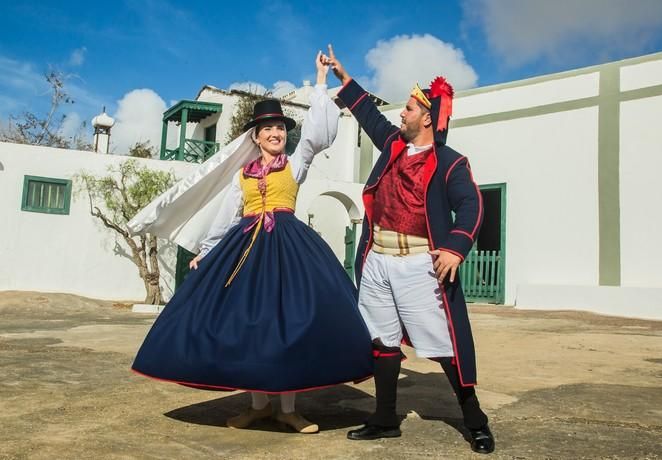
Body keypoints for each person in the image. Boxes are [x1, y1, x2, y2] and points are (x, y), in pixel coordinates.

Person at [128, 52, 372, 434]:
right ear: (255, 137)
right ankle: (258, 406)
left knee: (289, 323)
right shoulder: (241, 176)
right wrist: (207, 253)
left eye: (279, 128)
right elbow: (226, 217)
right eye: (268, 129)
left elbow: (318, 134)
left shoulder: (296, 162)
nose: (276, 133)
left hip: (290, 250)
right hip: (245, 251)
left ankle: (288, 409)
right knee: (249, 326)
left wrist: (321, 81)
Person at [325, 45, 495, 454]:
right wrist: (344, 79)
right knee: (381, 340)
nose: (401, 114)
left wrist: (455, 248)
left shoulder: (451, 161)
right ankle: (385, 419)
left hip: (421, 264)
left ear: (428, 118)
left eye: (409, 109)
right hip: (378, 259)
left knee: (444, 344)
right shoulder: (392, 145)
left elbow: (471, 203)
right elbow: (369, 115)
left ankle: (475, 421)